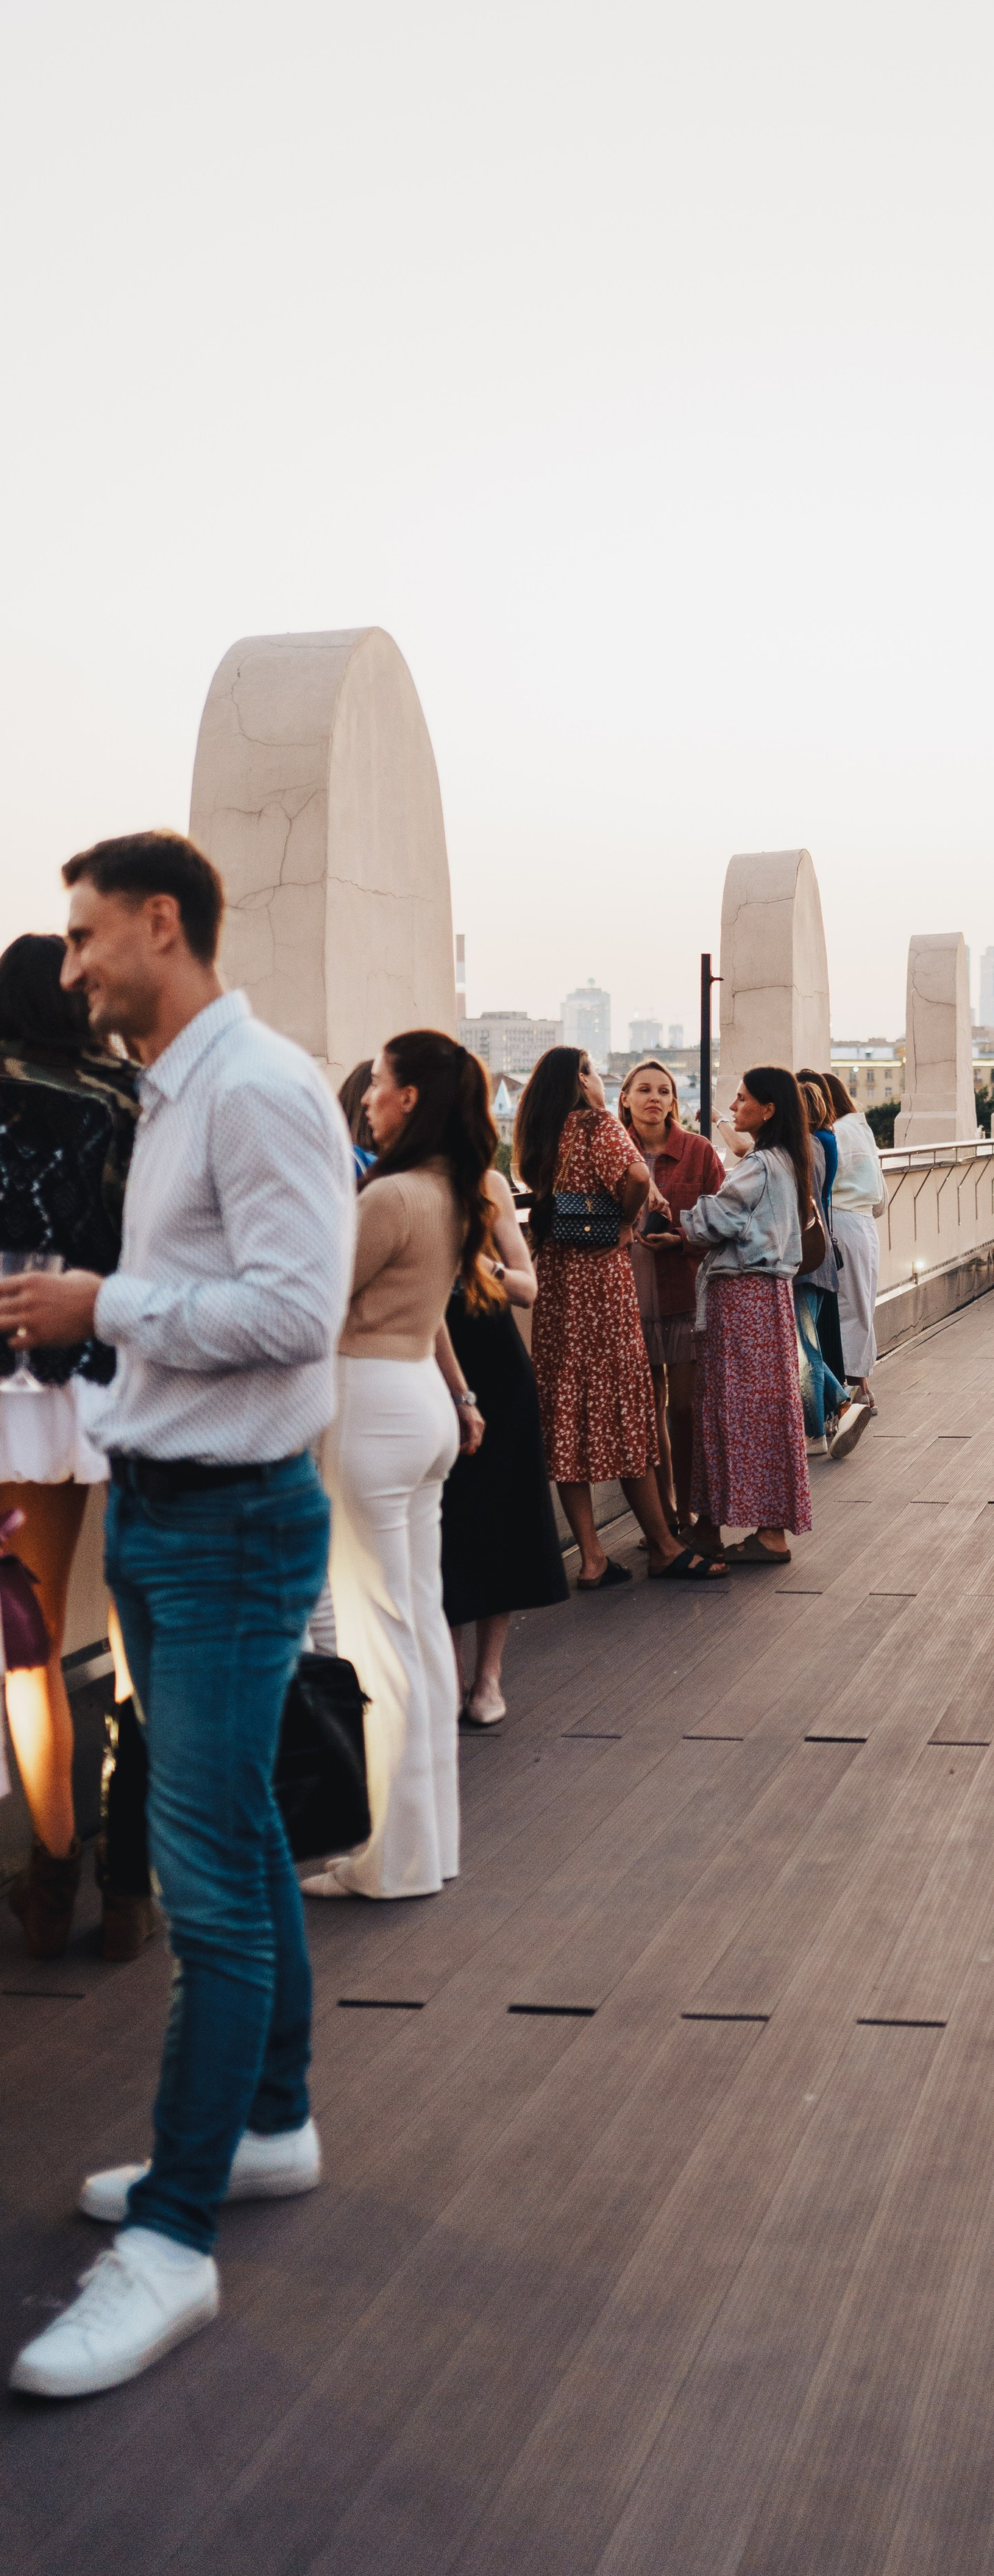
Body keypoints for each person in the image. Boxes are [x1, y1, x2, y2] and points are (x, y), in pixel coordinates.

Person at [0, 830, 350, 2399]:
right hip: (168, 1514)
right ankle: (269, 2123)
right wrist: (102, 1345)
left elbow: (296, 1310)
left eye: (86, 939)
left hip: (223, 1534)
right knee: (245, 1839)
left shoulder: (260, 1087)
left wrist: (105, 1308)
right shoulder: (174, 1091)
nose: (70, 969)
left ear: (162, 923)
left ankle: (173, 2242)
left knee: (207, 1884)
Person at [301, 1032, 492, 1902]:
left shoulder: (389, 1197)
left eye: (378, 1083)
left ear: (410, 1096)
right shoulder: (454, 1191)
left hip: (371, 1408)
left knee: (378, 1638)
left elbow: (310, 1305)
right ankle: (427, 1845)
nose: (369, 1096)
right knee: (414, 1629)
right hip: (420, 1399)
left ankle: (392, 1860)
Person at [0, 932, 146, 1959]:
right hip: (129, 1359)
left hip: (18, 1375)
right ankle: (131, 1878)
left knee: (25, 1641)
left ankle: (50, 1877)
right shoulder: (136, 1092)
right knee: (147, 1632)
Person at [514, 1046, 720, 1589]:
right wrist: (627, 1220)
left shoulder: (541, 1131)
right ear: (582, 1081)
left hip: (557, 1285)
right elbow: (633, 1173)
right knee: (630, 1409)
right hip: (602, 1284)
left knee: (566, 1416)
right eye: (593, 1071)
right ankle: (664, 1546)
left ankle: (591, 1558)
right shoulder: (596, 1123)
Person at [438, 1089, 567, 1734]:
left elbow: (527, 1286)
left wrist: (476, 1263)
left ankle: (487, 1678)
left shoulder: (487, 1185)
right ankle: (447, 1676)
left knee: (501, 1523)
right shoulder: (392, 1185)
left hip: (494, 1367)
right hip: (428, 1369)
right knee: (446, 1527)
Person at [683, 1067, 817, 1565]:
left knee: (728, 1409)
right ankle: (767, 1529)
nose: (734, 1108)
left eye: (742, 1100)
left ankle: (712, 1526)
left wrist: (677, 1218)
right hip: (771, 1298)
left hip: (741, 1300)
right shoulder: (787, 1162)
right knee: (766, 1411)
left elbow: (712, 1223)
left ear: (768, 1109)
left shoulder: (758, 1166)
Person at [620, 1058, 724, 1538]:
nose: (654, 1098)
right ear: (625, 1098)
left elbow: (726, 1222)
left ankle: (690, 1507)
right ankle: (663, 1518)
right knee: (646, 1411)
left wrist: (681, 1239)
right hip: (629, 1301)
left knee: (683, 1409)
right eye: (643, 1089)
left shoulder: (699, 1153)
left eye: (663, 1090)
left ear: (674, 1102)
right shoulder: (615, 1153)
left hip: (686, 1296)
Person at [820, 1068, 888, 1454]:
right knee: (861, 1306)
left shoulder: (834, 1134)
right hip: (865, 1225)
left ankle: (845, 1401)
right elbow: (879, 1196)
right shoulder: (860, 1129)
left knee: (844, 1309)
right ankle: (861, 1390)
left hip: (841, 1223)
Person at [792, 1071, 851, 1454]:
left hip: (805, 1257)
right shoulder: (825, 1141)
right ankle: (843, 1400)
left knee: (806, 1348)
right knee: (805, 1343)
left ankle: (816, 1431)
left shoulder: (807, 1148)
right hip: (818, 1252)